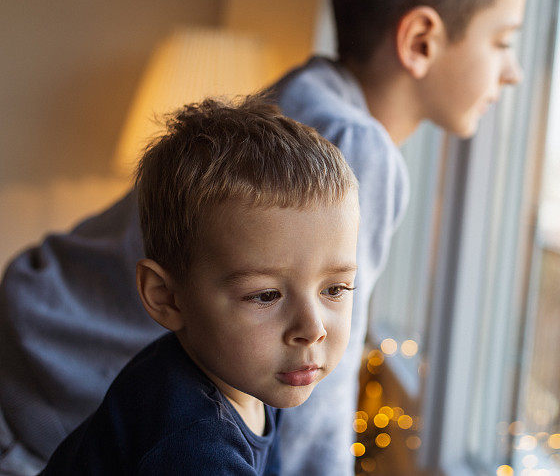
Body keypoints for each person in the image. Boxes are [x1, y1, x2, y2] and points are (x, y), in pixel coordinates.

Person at [0, 0, 531, 474]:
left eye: (335, 290)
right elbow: (318, 411)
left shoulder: (306, 89)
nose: (514, 72)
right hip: (45, 391)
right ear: (420, 40)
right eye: (503, 41)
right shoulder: (353, 141)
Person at [41, 96, 360, 475]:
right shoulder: (191, 447)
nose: (312, 329)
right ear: (166, 298)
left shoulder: (251, 375)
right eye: (265, 295)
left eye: (335, 289)